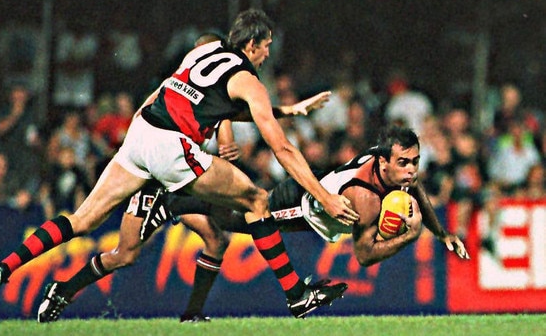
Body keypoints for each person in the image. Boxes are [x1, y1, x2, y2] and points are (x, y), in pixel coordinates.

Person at [0, 9, 358, 320]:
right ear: (252, 43)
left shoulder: (201, 52)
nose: (268, 54)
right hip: (172, 151)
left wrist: (287, 108)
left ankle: (2, 270)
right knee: (256, 201)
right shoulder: (248, 80)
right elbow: (283, 150)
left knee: (86, 223)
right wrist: (323, 194)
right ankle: (296, 296)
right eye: (267, 46)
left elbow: (180, 96)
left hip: (141, 135)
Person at [35, 125, 470, 323]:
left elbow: (418, 192)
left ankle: (184, 309)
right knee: (234, 220)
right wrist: (409, 236)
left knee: (214, 235)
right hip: (298, 208)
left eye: (414, 163)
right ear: (384, 161)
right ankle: (165, 202)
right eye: (404, 163)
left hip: (306, 204)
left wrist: (442, 231)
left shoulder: (391, 171)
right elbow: (363, 253)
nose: (411, 171)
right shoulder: (365, 198)